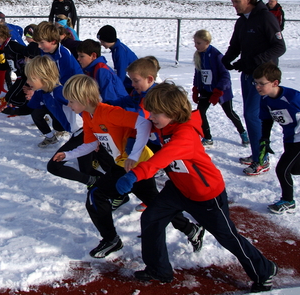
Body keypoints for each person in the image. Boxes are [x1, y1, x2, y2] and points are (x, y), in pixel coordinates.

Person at [115, 82, 277, 292]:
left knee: (227, 236)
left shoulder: (185, 135)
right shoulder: (164, 124)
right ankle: (159, 269)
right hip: (179, 188)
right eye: (150, 112)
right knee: (151, 219)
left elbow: (161, 159)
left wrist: (134, 175)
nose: (151, 117)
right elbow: (139, 123)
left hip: (205, 193)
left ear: (173, 112)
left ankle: (264, 270)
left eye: (155, 113)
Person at [57, 75, 204, 258]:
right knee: (153, 202)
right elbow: (90, 143)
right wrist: (68, 155)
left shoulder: (109, 112)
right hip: (124, 164)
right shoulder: (88, 116)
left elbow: (143, 123)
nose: (69, 104)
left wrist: (134, 156)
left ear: (85, 99)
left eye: (71, 100)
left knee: (96, 195)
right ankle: (190, 229)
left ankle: (111, 240)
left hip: (136, 163)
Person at [222, 0, 286, 176]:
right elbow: (235, 46)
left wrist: (254, 61)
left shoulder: (265, 17)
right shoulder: (242, 21)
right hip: (248, 74)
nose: (234, 4)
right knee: (250, 115)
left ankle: (263, 159)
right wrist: (225, 59)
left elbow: (279, 47)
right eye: (232, 1)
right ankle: (257, 152)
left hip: (264, 77)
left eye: (237, 1)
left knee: (253, 114)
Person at [252, 62, 300, 214]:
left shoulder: (293, 97)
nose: (257, 87)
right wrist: (265, 139)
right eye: (255, 83)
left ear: (275, 83)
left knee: (282, 169)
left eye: (261, 83)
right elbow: (266, 119)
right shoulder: (265, 98)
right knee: (297, 168)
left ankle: (288, 200)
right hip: (289, 136)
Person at [191, 29, 248, 148]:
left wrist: (218, 91)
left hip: (221, 91)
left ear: (207, 42)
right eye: (195, 43)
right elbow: (198, 73)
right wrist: (196, 88)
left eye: (199, 43)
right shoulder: (199, 55)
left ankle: (243, 132)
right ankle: (207, 138)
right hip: (206, 90)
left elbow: (225, 76)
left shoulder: (217, 56)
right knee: (200, 112)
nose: (196, 46)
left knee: (230, 112)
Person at [25, 56, 81, 148]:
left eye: (31, 78)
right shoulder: (40, 92)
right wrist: (11, 107)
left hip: (83, 131)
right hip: (75, 133)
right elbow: (29, 108)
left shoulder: (60, 92)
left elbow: (85, 107)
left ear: (45, 77)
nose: (27, 81)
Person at [75, 39, 127, 105]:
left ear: (93, 56)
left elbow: (110, 98)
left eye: (81, 56)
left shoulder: (102, 70)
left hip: (120, 109)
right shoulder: (90, 69)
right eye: (78, 56)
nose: (78, 59)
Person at [97, 25, 138, 92]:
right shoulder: (115, 49)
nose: (101, 44)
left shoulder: (120, 52)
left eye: (103, 42)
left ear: (109, 40)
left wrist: (117, 88)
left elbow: (121, 72)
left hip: (131, 84)